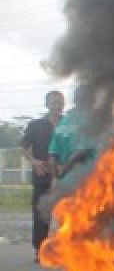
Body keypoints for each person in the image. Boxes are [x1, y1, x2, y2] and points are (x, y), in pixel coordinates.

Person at [20, 90, 64, 259]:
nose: (58, 105)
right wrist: (34, 161)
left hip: (63, 174)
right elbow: (23, 148)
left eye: (60, 102)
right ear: (47, 105)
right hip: (42, 173)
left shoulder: (68, 123)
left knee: (65, 212)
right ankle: (41, 250)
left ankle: (65, 248)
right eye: (54, 102)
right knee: (41, 213)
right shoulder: (36, 125)